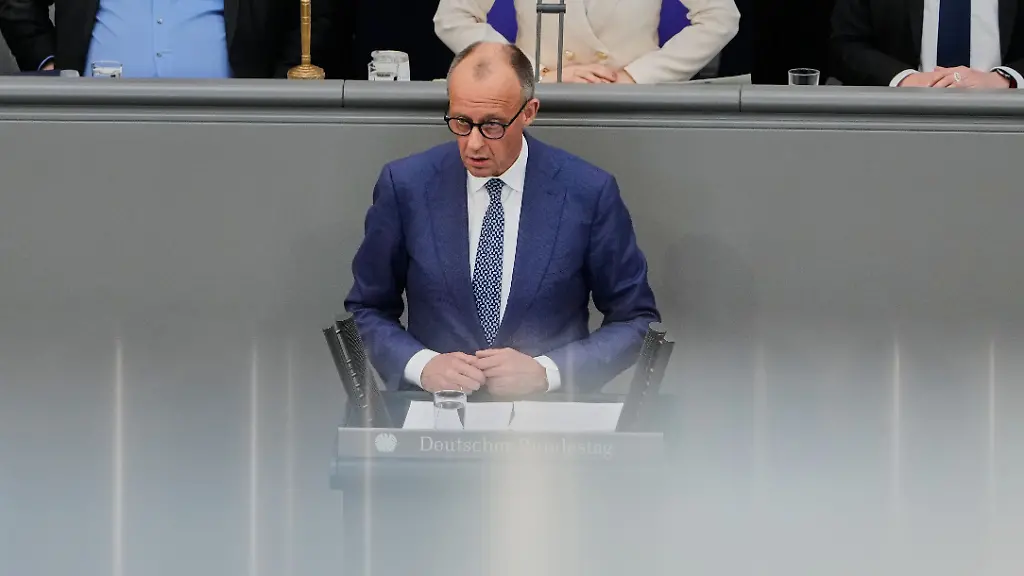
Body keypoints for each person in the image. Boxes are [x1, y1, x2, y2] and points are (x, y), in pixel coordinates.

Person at [344, 41, 659, 395]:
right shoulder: (406, 186)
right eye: (461, 122)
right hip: (435, 419)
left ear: (529, 112)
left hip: (548, 426)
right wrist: (421, 365)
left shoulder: (587, 192)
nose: (474, 144)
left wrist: (548, 373)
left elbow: (636, 321)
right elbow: (365, 310)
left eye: (492, 125)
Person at [432, 0, 740, 84]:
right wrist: (533, 73)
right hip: (538, 103)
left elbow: (720, 17)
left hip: (632, 106)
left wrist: (637, 76)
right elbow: (453, 18)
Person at [0, 0, 300, 77]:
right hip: (92, 130)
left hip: (235, 131)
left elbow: (307, 17)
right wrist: (51, 69)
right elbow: (18, 5)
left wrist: (279, 101)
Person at [831, 0, 1024, 88]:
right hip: (899, 124)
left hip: (1011, 123)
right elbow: (846, 43)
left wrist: (1006, 79)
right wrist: (904, 79)